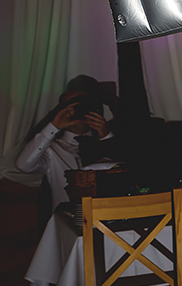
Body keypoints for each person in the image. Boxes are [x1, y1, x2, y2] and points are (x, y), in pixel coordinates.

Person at [16, 76, 116, 214]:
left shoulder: (108, 142)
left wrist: (107, 136)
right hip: (69, 222)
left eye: (83, 105)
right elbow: (22, 165)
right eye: (71, 107)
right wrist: (54, 126)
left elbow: (125, 167)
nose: (78, 111)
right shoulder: (53, 150)